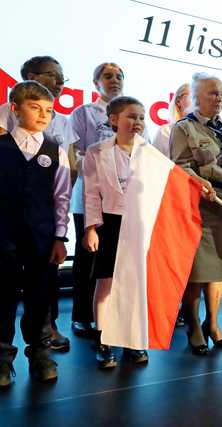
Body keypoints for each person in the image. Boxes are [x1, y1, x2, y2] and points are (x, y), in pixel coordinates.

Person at [0, 56, 78, 352]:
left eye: (48, 110)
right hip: (4, 234)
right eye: (35, 108)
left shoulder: (54, 151)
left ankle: (41, 351)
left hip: (42, 235)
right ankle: (3, 355)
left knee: (40, 292)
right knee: (4, 293)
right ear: (15, 109)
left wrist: (60, 236)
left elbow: (61, 197)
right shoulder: (2, 145)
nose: (44, 114)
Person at [171, 73, 222, 354]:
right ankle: (193, 325)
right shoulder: (184, 129)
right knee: (197, 271)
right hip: (201, 206)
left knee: (220, 270)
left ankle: (213, 324)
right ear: (196, 97)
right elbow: (180, 166)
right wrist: (198, 181)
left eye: (220, 94)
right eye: (211, 93)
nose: (218, 98)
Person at [83, 96, 152, 368]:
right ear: (114, 120)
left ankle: (131, 339)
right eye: (131, 116)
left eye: (141, 117)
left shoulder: (150, 154)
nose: (137, 122)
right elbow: (90, 195)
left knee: (135, 284)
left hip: (139, 223)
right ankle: (103, 338)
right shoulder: (96, 151)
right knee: (106, 282)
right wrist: (91, 228)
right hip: (109, 223)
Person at [69, 62, 125, 339]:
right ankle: (82, 316)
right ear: (95, 83)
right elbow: (76, 154)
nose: (115, 80)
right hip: (89, 196)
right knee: (87, 258)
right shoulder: (83, 113)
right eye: (108, 76)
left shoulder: (131, 112)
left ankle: (108, 317)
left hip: (120, 201)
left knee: (114, 262)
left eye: (119, 76)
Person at [153, 83, 191, 157]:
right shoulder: (165, 131)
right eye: (193, 96)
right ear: (178, 102)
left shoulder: (208, 131)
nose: (198, 101)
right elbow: (154, 163)